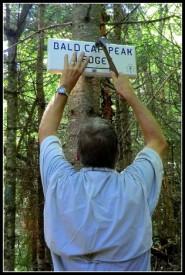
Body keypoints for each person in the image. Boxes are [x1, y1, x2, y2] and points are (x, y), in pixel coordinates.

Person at [39, 52, 168, 271]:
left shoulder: (59, 184)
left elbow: (46, 132)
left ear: (77, 156)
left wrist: (64, 86)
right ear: (117, 155)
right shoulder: (134, 187)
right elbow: (158, 141)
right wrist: (129, 94)